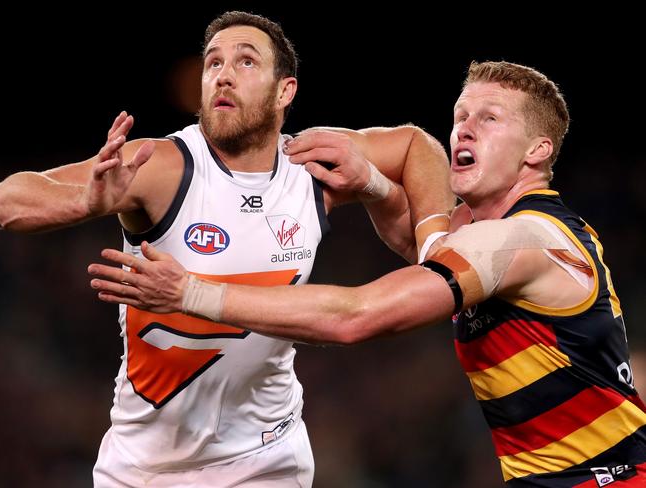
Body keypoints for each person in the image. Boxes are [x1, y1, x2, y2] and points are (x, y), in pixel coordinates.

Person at [90, 61, 646, 486]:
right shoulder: (514, 231)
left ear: (537, 151)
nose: (463, 130)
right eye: (459, 116)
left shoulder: (517, 240)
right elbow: (428, 248)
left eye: (489, 119)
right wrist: (375, 187)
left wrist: (191, 291)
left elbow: (359, 316)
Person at [0, 10, 452, 488]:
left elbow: (416, 145)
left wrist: (435, 242)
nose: (224, 74)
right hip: (143, 467)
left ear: (285, 91)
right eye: (213, 63)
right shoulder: (163, 166)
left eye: (246, 62)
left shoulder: (311, 165)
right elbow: (8, 200)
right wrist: (81, 200)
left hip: (268, 457)